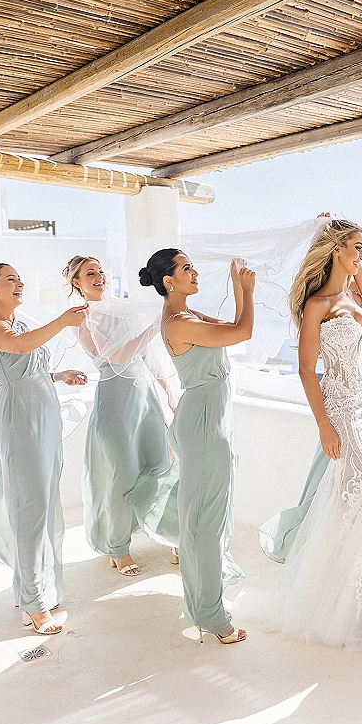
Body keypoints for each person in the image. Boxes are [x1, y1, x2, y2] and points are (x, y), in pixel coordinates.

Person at [234, 220, 362, 649]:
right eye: (358, 247)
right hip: (340, 410)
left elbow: (352, 355)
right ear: (337, 251)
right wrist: (324, 424)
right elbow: (306, 369)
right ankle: (338, 605)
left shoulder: (353, 296)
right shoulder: (317, 304)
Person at [259, 227, 362, 574]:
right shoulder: (351, 291)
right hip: (347, 391)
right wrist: (327, 239)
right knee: (334, 469)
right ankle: (327, 556)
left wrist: (348, 253)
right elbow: (324, 327)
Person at [139, 249, 255, 644]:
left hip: (205, 421)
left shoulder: (186, 316)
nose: (195, 272)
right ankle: (211, 615)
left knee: (206, 519)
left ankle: (207, 603)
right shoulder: (180, 323)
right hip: (204, 426)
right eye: (186, 268)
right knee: (205, 523)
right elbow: (243, 332)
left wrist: (239, 288)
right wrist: (246, 290)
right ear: (168, 281)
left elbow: (231, 327)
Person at [0, 264, 87, 635]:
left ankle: (33, 592)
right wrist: (63, 320)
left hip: (44, 419)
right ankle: (35, 606)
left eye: (20, 278)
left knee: (46, 508)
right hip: (20, 420)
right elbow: (19, 348)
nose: (20, 283)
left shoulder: (19, 325)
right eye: (11, 279)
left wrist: (59, 375)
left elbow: (26, 364)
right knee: (30, 509)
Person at [62, 256, 180, 576]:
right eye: (90, 273)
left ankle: (171, 534)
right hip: (115, 405)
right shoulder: (82, 318)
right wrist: (154, 327)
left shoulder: (124, 309)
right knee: (122, 478)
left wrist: (169, 394)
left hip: (146, 401)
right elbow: (118, 356)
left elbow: (147, 357)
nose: (99, 276)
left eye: (100, 271)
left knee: (162, 468)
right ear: (77, 282)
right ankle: (118, 548)